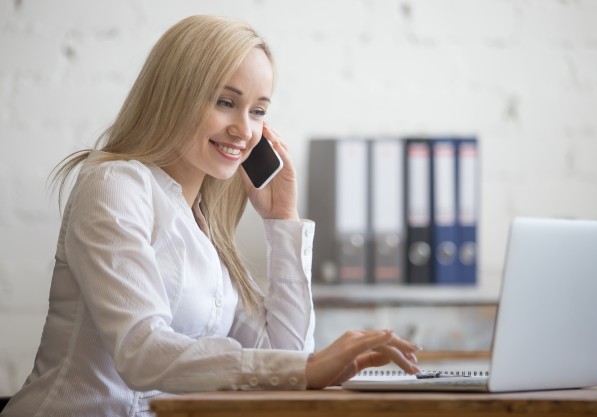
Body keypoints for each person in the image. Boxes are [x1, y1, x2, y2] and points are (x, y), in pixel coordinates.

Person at [0, 15, 420, 417]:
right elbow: (141, 351)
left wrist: (282, 221)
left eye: (258, 111)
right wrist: (303, 370)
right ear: (174, 95)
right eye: (226, 102)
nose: (244, 129)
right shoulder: (114, 184)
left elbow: (289, 359)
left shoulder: (205, 230)